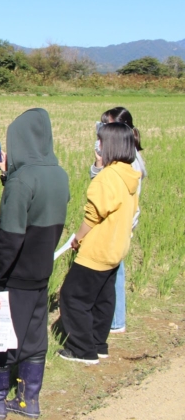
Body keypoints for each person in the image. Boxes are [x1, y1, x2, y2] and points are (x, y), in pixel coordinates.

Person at [0, 108, 70, 420]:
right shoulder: (59, 174)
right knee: (33, 338)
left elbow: (12, 237)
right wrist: (8, 175)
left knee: (1, 339)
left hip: (13, 275)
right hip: (41, 272)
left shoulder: (20, 182)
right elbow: (37, 209)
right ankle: (29, 402)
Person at [58, 123, 141, 365]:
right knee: (103, 298)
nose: (98, 145)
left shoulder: (107, 178)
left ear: (110, 145)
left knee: (73, 296)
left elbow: (92, 217)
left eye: (101, 141)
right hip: (116, 249)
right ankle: (98, 343)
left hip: (97, 250)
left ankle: (81, 350)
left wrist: (78, 237)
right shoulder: (129, 174)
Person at [89, 107, 146, 334]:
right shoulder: (119, 158)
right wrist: (98, 164)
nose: (102, 133)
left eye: (107, 127)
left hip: (117, 225)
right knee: (113, 272)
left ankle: (114, 321)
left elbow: (109, 194)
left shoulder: (129, 162)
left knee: (113, 273)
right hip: (118, 224)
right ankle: (113, 320)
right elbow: (99, 183)